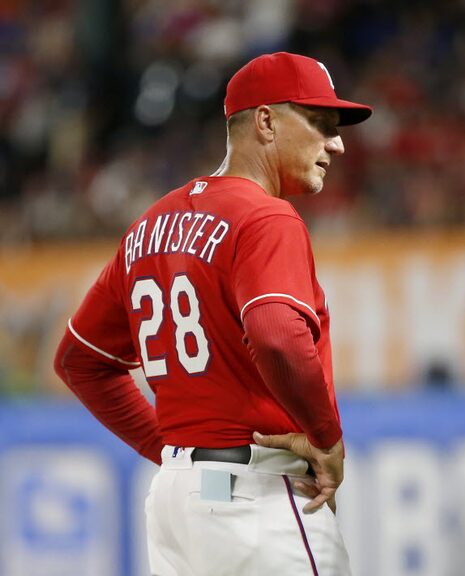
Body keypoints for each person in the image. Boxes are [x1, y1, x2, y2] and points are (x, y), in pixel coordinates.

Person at [53, 52, 371, 576]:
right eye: (319, 123)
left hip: (177, 506)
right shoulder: (267, 217)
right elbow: (276, 334)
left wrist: (174, 452)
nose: (335, 143)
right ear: (265, 121)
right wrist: (325, 438)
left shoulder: (149, 225)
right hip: (257, 500)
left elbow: (78, 360)